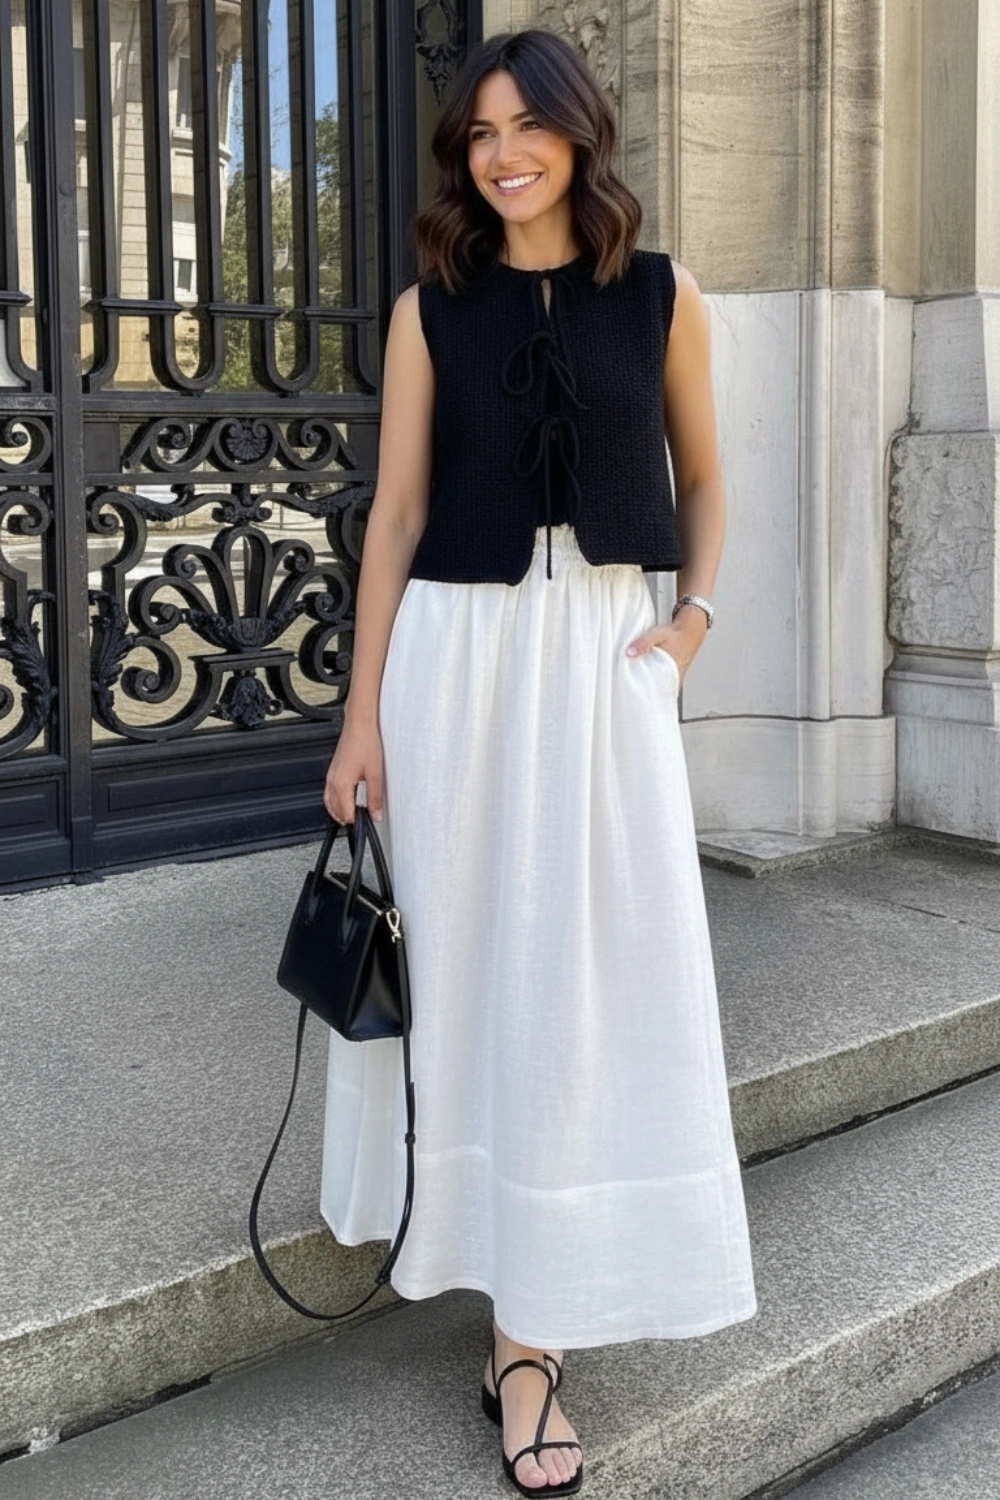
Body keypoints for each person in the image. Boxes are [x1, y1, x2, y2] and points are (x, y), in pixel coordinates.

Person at [319, 26, 757, 1498]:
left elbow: (704, 476)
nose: (502, 155)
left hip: (607, 662)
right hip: (456, 662)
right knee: (476, 970)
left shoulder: (664, 295)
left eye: (529, 128)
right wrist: (361, 715)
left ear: (582, 135)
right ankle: (514, 1324)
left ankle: (548, 1308)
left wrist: (690, 625)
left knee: (596, 977)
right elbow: (393, 519)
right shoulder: (427, 305)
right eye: (480, 133)